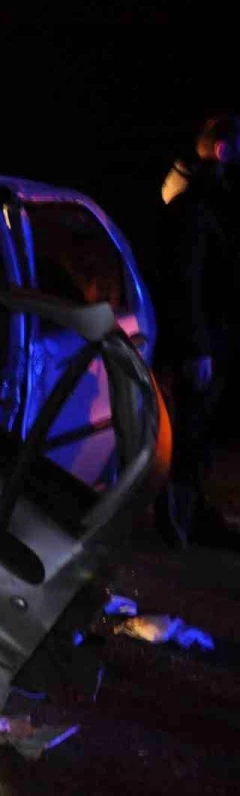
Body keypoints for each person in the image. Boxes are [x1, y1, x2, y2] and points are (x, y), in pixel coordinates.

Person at [159, 114, 240, 547]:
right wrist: (197, 347)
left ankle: (192, 517)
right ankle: (179, 525)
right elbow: (186, 279)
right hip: (203, 339)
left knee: (200, 434)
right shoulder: (195, 202)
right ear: (223, 150)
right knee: (189, 434)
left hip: (214, 334)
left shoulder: (211, 195)